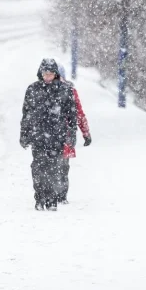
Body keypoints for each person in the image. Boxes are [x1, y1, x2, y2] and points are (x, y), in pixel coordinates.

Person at [20, 58, 77, 211]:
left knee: (53, 168)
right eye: (45, 73)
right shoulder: (32, 90)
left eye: (51, 74)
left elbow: (72, 115)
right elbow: (26, 114)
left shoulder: (65, 91)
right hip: (38, 136)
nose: (48, 77)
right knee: (38, 168)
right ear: (41, 74)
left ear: (56, 74)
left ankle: (52, 199)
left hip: (57, 137)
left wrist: (71, 135)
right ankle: (39, 197)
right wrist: (24, 134)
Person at [57, 65, 91, 204]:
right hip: (66, 134)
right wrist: (86, 132)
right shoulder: (70, 90)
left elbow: (78, 113)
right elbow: (79, 114)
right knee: (63, 166)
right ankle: (61, 195)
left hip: (63, 134)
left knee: (55, 165)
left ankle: (56, 193)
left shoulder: (68, 91)